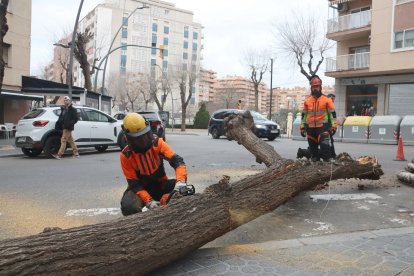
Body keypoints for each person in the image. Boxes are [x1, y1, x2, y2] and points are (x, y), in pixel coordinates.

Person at [119, 113, 188, 216]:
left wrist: (180, 183)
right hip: (140, 189)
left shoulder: (157, 143)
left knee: (184, 190)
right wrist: (148, 201)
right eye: (138, 139)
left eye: (145, 136)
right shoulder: (126, 156)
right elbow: (135, 184)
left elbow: (177, 161)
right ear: (128, 139)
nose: (144, 140)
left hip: (161, 185)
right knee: (129, 206)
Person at [300, 76, 337, 162]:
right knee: (314, 155)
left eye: (317, 87)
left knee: (325, 151)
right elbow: (304, 116)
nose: (315, 89)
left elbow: (332, 115)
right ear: (311, 88)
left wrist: (334, 126)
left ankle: (328, 170)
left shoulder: (327, 100)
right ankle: (316, 171)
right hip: (310, 130)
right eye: (313, 87)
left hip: (323, 129)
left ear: (320, 87)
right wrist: (302, 128)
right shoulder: (307, 101)